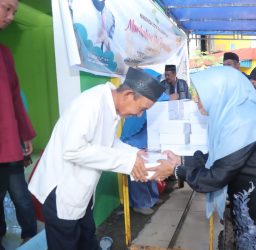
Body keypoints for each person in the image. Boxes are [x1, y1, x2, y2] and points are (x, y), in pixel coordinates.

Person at [151, 66, 256, 249]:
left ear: (219, 93)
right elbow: (221, 156)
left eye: (201, 94)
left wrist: (176, 170)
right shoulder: (235, 116)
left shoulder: (243, 123)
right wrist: (182, 160)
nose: (196, 100)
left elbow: (214, 178)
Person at [28, 67, 166, 250]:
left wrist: (134, 153)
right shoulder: (91, 104)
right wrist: (127, 162)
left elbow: (107, 142)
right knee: (66, 243)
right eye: (141, 108)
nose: (139, 114)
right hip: (61, 192)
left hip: (80, 192)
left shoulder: (109, 105)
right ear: (128, 94)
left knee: (87, 239)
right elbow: (73, 150)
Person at [0, 0, 37, 248]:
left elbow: (15, 98)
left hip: (7, 144)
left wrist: (24, 134)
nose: (11, 16)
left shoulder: (5, 53)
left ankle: (31, 237)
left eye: (15, 11)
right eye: (7, 8)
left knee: (20, 196)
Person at [121, 69, 168, 215]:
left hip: (146, 139)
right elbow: (133, 127)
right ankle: (140, 203)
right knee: (140, 173)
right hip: (134, 141)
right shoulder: (141, 100)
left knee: (151, 169)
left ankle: (152, 198)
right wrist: (128, 143)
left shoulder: (153, 98)